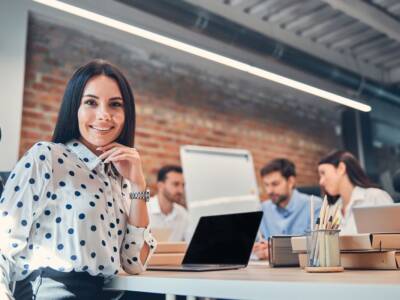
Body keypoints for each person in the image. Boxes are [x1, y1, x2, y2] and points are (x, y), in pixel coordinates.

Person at [0, 60, 157, 299]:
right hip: (51, 290)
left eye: (115, 104)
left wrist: (139, 186)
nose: (104, 115)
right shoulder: (47, 157)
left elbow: (134, 262)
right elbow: (2, 245)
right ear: (74, 108)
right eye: (91, 103)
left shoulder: (120, 176)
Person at [253, 158, 322, 260]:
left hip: (303, 271)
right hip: (270, 272)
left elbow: (317, 247)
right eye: (266, 185)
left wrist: (276, 252)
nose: (269, 191)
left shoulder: (314, 205)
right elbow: (256, 245)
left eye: (275, 184)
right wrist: (259, 251)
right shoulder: (263, 209)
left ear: (290, 181)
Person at [318, 150, 393, 235]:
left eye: (323, 173)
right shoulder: (331, 210)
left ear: (341, 168)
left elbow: (394, 238)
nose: (321, 181)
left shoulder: (375, 197)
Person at [148, 165, 190, 242]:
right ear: (160, 185)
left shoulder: (183, 213)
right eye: (176, 184)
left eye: (183, 185)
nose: (181, 190)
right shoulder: (145, 209)